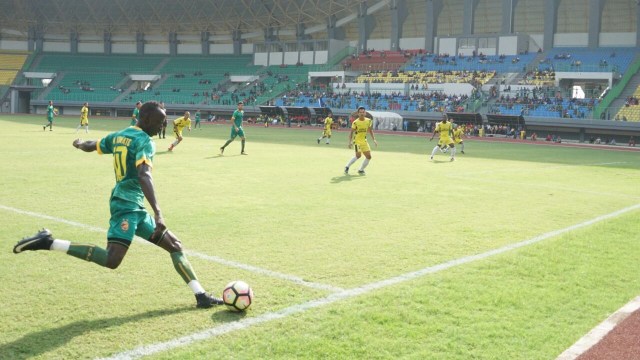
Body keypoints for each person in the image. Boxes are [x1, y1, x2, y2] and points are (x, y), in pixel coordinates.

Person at [13, 101, 222, 308]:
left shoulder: (120, 135)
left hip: (135, 208)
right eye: (160, 121)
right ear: (147, 118)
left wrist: (78, 143)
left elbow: (92, 145)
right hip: (126, 205)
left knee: (175, 246)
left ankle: (201, 296)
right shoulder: (145, 142)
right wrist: (158, 212)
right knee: (112, 260)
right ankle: (47, 242)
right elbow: (144, 174)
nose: (162, 126)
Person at [344, 107, 377, 175]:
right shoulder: (355, 122)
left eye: (363, 112)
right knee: (358, 156)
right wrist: (349, 142)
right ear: (358, 113)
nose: (362, 113)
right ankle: (347, 166)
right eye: (360, 112)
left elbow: (370, 130)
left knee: (369, 157)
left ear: (365, 113)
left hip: (364, 141)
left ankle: (361, 169)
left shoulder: (369, 121)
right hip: (357, 141)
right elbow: (351, 133)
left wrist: (374, 139)